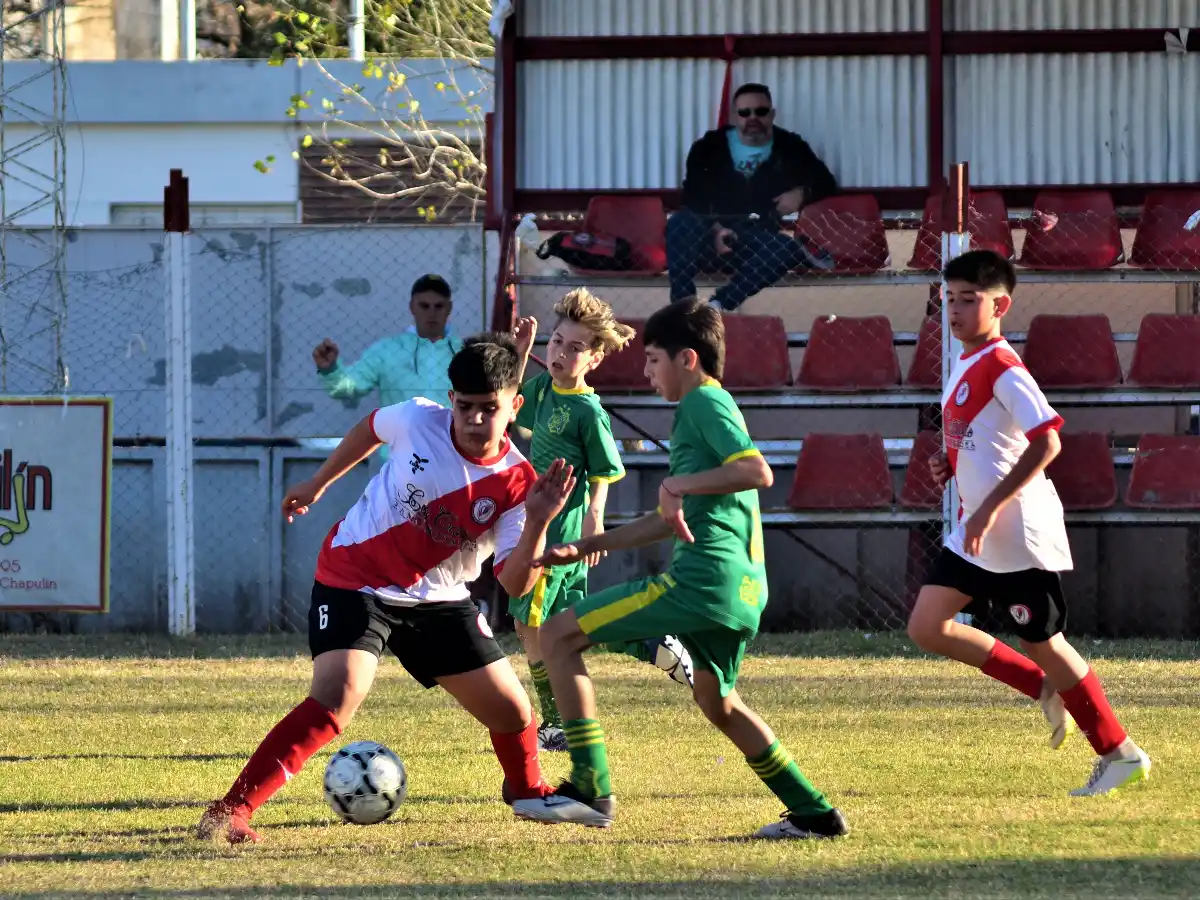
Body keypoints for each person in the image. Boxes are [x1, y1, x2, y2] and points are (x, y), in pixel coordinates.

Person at [197, 326, 575, 845]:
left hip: (438, 599)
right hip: (355, 577)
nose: (475, 419)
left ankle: (526, 790)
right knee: (337, 695)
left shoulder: (518, 483)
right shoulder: (419, 418)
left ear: (515, 404)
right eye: (465, 406)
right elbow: (370, 428)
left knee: (513, 711)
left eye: (489, 407)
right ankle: (231, 811)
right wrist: (316, 483)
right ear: (450, 401)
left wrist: (536, 522)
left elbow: (513, 584)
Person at [510, 299, 848, 839]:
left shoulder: (704, 405)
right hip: (741, 592)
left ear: (687, 359)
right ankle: (813, 812)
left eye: (652, 361)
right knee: (719, 703)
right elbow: (671, 519)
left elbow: (757, 472)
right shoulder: (704, 411)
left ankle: (589, 789)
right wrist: (590, 544)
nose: (645, 372)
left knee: (556, 633)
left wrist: (677, 485)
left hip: (700, 583)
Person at [906, 249, 1151, 796]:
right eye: (949, 299)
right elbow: (988, 439)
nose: (956, 309)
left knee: (1048, 642)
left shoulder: (1004, 366)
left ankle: (1120, 752)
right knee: (927, 626)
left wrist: (990, 506)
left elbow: (1047, 441)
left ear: (1001, 305)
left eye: (969, 300)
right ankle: (1042, 686)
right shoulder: (966, 363)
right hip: (976, 533)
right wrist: (953, 463)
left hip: (1012, 534)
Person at [509, 289, 694, 752]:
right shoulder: (543, 389)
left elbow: (605, 471)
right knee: (556, 626)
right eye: (555, 342)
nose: (560, 353)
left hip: (561, 531)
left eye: (574, 348)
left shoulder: (589, 411)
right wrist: (520, 353)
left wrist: (595, 520)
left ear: (594, 359)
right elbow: (507, 400)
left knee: (537, 627)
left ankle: (555, 724)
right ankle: (648, 643)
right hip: (539, 524)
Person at [667, 83, 838, 313]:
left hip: (754, 240)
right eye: (745, 112)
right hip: (706, 241)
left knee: (786, 249)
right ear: (735, 116)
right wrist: (717, 229)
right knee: (679, 223)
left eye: (761, 111)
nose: (753, 118)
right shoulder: (709, 147)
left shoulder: (789, 146)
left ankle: (718, 307)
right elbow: (692, 197)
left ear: (772, 114)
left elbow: (826, 182)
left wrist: (801, 193)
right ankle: (683, 309)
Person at [313, 274, 462, 459]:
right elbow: (350, 386)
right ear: (412, 307)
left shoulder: (463, 353)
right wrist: (330, 370)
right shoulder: (387, 351)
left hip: (451, 460)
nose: (431, 313)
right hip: (397, 461)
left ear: (449, 308)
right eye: (424, 306)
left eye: (438, 306)